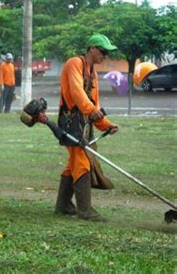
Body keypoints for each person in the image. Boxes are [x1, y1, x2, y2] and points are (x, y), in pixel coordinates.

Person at [55, 34, 119, 221]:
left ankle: (63, 205)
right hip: (71, 122)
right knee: (82, 161)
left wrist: (105, 124)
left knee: (73, 164)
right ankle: (85, 210)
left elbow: (94, 103)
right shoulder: (74, 63)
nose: (105, 56)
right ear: (92, 48)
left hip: (85, 123)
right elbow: (76, 92)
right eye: (103, 51)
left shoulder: (92, 73)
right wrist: (91, 110)